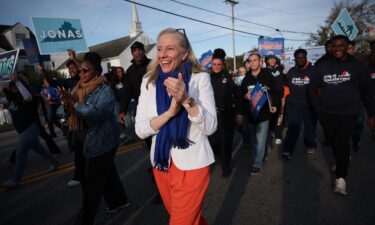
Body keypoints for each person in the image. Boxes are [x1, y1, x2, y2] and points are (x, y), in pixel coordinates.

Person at [135, 28, 217, 225]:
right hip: (161, 164)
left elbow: (211, 127)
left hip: (193, 166)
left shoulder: (200, 78)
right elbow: (140, 130)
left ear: (184, 54)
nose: (163, 55)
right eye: (160, 49)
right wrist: (170, 113)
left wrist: (187, 100)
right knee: (190, 219)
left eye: (170, 49)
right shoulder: (149, 81)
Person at [60, 52, 129, 225]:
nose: (81, 73)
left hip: (102, 141)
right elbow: (71, 106)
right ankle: (119, 201)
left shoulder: (104, 89)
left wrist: (74, 104)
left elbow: (96, 113)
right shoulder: (80, 86)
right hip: (86, 139)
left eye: (86, 70)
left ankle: (84, 221)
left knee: (91, 185)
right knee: (107, 174)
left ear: (97, 72)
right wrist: (67, 102)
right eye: (80, 70)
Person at [309, 35, 375, 196]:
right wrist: (318, 109)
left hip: (349, 112)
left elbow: (367, 91)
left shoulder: (358, 66)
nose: (337, 49)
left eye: (341, 45)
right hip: (326, 112)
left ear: (347, 47)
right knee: (333, 140)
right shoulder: (322, 67)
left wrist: (372, 114)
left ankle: (341, 178)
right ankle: (342, 159)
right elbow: (312, 89)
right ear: (330, 47)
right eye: (334, 46)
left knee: (341, 140)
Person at [0, 75, 59, 189]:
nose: (14, 88)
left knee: (20, 154)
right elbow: (2, 100)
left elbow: (26, 96)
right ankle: (54, 162)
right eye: (12, 86)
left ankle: (15, 180)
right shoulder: (12, 97)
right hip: (23, 130)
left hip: (30, 129)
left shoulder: (29, 97)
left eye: (16, 86)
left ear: (21, 86)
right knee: (39, 149)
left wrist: (17, 81)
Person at [39, 51, 85, 187]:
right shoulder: (68, 81)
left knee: (85, 149)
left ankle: (84, 175)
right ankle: (79, 175)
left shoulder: (84, 79)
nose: (71, 71)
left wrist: (74, 58)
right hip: (74, 120)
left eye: (74, 68)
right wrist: (42, 69)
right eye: (69, 69)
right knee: (78, 149)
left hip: (85, 118)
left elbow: (84, 68)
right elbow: (51, 81)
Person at [237, 53, 280, 175]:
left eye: (255, 60)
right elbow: (241, 97)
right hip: (250, 114)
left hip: (264, 114)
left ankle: (257, 163)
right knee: (254, 139)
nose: (252, 63)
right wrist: (243, 103)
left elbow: (276, 92)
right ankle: (263, 152)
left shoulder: (267, 76)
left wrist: (275, 105)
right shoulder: (246, 79)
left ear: (260, 61)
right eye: (250, 61)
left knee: (260, 140)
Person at [208, 48, 239, 177]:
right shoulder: (206, 78)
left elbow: (237, 96)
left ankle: (226, 169)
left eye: (219, 64)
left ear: (223, 65)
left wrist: (239, 113)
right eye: (214, 64)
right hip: (211, 116)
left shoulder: (228, 78)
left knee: (226, 144)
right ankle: (220, 157)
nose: (216, 67)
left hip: (226, 116)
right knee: (213, 144)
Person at [281, 49, 317, 160]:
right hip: (293, 105)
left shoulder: (314, 71)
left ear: (306, 57)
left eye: (302, 57)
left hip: (309, 105)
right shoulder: (291, 71)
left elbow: (319, 88)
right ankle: (287, 150)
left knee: (310, 128)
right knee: (293, 128)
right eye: (298, 58)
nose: (300, 59)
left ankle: (310, 143)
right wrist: (285, 99)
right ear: (295, 59)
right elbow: (286, 87)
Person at [264, 54, 285, 145]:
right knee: (271, 116)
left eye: (273, 59)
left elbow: (287, 69)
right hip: (270, 96)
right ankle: (272, 130)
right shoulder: (264, 70)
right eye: (270, 59)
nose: (272, 61)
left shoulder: (280, 68)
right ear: (267, 61)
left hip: (280, 96)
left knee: (279, 117)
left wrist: (283, 58)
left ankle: (278, 135)